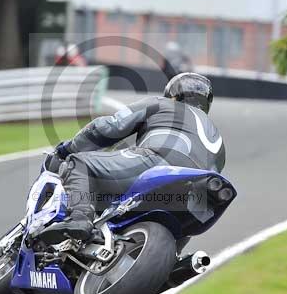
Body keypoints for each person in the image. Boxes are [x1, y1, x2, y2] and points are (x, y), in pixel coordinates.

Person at [39, 72, 225, 243]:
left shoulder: (162, 104)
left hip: (157, 162)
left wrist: (66, 150)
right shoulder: (218, 139)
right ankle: (169, 269)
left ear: (174, 95)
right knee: (181, 232)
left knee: (80, 163)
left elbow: (108, 127)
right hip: (199, 193)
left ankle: (79, 218)